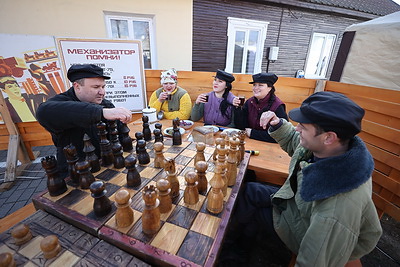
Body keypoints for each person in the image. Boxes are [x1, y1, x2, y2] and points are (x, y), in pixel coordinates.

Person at [227, 91, 382, 266]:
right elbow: (299, 146)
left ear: (329, 137)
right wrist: (278, 125)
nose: (296, 128)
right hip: (298, 205)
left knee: (251, 212)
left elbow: (313, 261)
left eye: (303, 126)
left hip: (305, 230)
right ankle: (231, 243)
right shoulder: (333, 150)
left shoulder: (337, 208)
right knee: (250, 191)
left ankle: (234, 255)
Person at [36, 64, 132, 176]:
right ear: (77, 86)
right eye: (96, 87)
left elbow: (120, 135)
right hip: (76, 172)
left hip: (105, 166)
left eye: (103, 87)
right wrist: (100, 112)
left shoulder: (105, 104)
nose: (102, 92)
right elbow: (43, 112)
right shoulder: (61, 102)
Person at [234, 72, 288, 142]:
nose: (256, 88)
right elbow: (241, 127)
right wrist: (237, 108)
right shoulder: (249, 102)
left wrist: (253, 134)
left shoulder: (277, 105)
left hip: (269, 147)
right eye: (254, 85)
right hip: (249, 142)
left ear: (270, 88)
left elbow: (281, 135)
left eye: (260, 85)